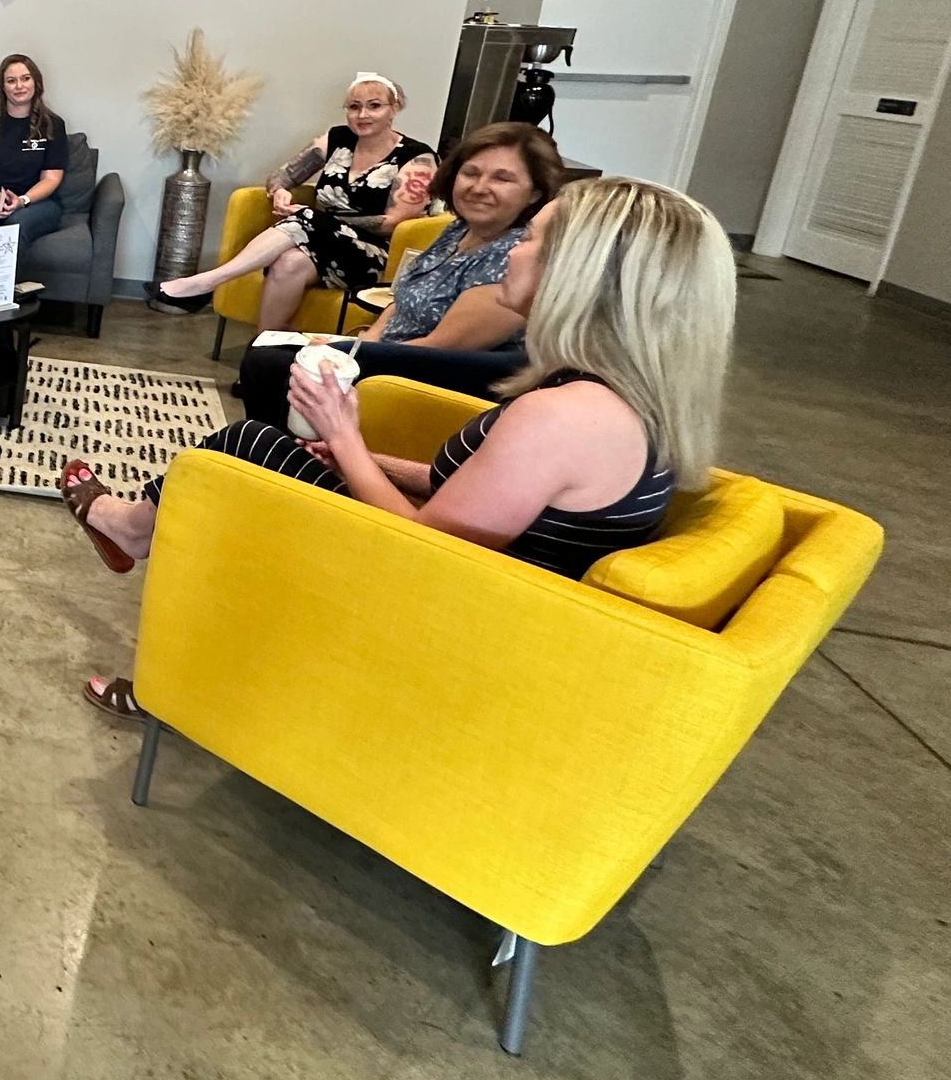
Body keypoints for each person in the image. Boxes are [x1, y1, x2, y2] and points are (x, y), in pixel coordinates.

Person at [68, 176, 735, 720]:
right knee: (252, 454)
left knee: (238, 458)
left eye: (532, 239)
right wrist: (369, 461)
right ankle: (140, 548)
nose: (514, 251)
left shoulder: (564, 417)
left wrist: (344, 435)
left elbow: (424, 546)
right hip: (491, 595)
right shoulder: (627, 398)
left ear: (581, 274)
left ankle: (168, 657)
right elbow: (489, 501)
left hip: (444, 612)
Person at [232, 122, 564, 426]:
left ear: (534, 193)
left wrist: (353, 352)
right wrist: (366, 339)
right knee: (269, 346)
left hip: (422, 374)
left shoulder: (515, 258)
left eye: (502, 178)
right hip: (390, 352)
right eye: (471, 173)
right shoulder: (458, 230)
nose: (479, 187)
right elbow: (401, 299)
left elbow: (437, 349)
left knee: (269, 362)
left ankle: (283, 458)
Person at [150, 73, 437, 328]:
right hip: (317, 242)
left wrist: (321, 221)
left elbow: (395, 224)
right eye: (354, 107)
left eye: (374, 106)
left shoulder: (417, 157)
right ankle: (262, 354)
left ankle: (209, 281)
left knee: (308, 218)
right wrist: (281, 192)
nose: (362, 114)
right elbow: (278, 178)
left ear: (394, 109)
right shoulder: (338, 138)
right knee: (288, 264)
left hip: (373, 256)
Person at [0, 54, 69, 251]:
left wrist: (22, 201)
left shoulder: (53, 125)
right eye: (11, 81)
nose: (19, 86)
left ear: (36, 82)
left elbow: (51, 178)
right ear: (3, 87)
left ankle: (5, 283)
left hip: (34, 202)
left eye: (25, 78)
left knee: (15, 227)